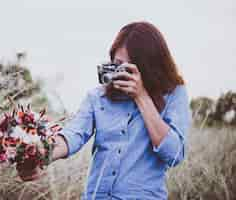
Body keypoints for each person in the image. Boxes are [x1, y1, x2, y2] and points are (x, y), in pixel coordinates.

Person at [17, 21, 192, 200]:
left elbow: (174, 154)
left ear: (149, 68)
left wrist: (141, 97)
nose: (121, 74)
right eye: (117, 65)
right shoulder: (97, 97)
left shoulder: (174, 94)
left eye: (129, 69)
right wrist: (41, 156)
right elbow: (73, 135)